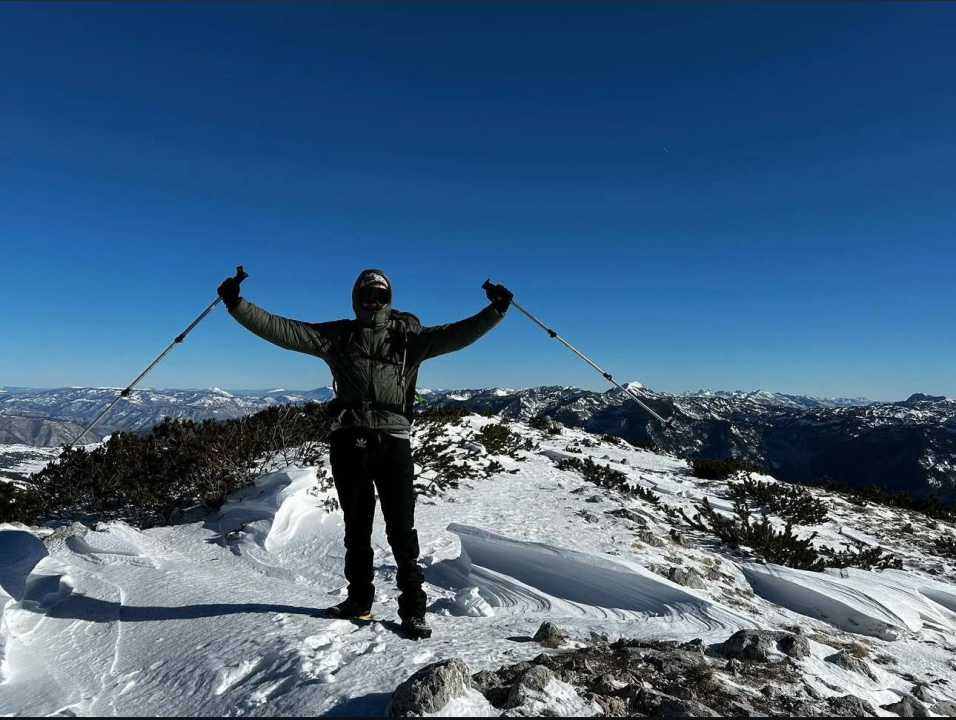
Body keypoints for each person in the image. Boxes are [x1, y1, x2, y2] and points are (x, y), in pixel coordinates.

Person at [217, 268, 512, 638]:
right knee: (356, 529)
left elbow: (458, 335)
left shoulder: (410, 338)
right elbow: (284, 330)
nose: (374, 302)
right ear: (357, 299)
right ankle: (359, 601)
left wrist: (496, 311)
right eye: (367, 295)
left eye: (381, 295)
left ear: (389, 299)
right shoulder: (338, 336)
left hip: (393, 442)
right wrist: (237, 304)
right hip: (349, 440)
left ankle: (413, 610)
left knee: (402, 531)